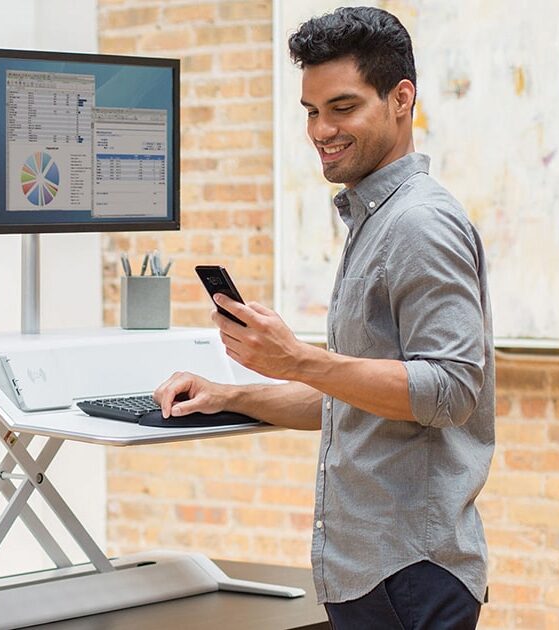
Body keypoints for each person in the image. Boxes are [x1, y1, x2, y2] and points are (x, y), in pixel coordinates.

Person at [154, 6, 493, 629]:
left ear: (401, 98)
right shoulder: (374, 222)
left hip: (409, 574)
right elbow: (352, 403)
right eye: (311, 111)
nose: (321, 130)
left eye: (342, 107)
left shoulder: (419, 224)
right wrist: (229, 395)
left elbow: (450, 392)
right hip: (373, 573)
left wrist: (300, 359)